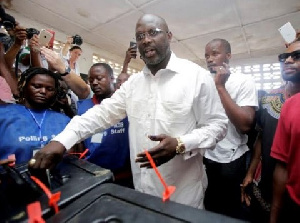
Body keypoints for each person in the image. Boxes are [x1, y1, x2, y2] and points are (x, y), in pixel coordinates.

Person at [29, 14, 228, 208]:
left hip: (183, 196)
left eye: (153, 32)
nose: (146, 40)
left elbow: (218, 126)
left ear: (169, 36)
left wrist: (180, 144)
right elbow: (100, 114)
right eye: (140, 36)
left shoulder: (196, 77)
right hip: (141, 192)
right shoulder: (133, 84)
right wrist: (62, 141)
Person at [241, 36, 300, 223]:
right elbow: (261, 137)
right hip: (264, 184)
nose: (288, 60)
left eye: (297, 56)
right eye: (284, 56)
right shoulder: (268, 99)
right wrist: (250, 173)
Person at [203, 38, 258, 219]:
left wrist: (220, 86)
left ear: (228, 56)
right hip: (207, 156)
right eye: (207, 56)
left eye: (215, 53)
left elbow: (245, 125)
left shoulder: (243, 81)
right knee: (210, 206)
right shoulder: (203, 82)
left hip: (232, 159)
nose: (209, 59)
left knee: (230, 210)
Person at [0, 67, 72, 164]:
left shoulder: (64, 121)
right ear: (24, 87)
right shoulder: (3, 114)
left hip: (55, 177)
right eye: (37, 86)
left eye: (49, 89)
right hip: (10, 177)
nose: (43, 91)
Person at [77, 63, 132, 187]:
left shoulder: (127, 103)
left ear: (112, 79)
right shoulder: (84, 106)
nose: (95, 83)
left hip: (125, 174)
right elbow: (80, 138)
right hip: (93, 175)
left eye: (99, 78)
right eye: (91, 80)